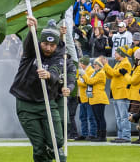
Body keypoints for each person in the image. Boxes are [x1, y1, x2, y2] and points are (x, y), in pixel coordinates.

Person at [11, 17, 66, 162]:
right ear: (40, 42)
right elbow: (29, 44)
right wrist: (32, 30)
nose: (48, 48)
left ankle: (50, 152)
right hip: (26, 104)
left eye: (52, 45)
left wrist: (49, 75)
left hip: (47, 102)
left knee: (58, 141)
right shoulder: (31, 53)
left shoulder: (59, 56)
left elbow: (56, 71)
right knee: (39, 147)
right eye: (45, 44)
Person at [103, 47, 132, 143]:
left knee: (124, 116)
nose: (114, 54)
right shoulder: (118, 63)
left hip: (122, 93)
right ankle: (120, 136)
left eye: (116, 53)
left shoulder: (126, 63)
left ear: (121, 54)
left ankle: (126, 136)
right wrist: (105, 68)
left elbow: (114, 73)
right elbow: (111, 75)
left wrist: (106, 65)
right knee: (119, 117)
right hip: (116, 93)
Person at [84, 56, 109, 142]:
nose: (94, 65)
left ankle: (102, 136)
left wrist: (83, 75)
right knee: (97, 117)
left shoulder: (101, 73)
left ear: (99, 65)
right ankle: (99, 135)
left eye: (95, 64)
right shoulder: (95, 72)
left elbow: (90, 81)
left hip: (99, 98)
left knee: (100, 117)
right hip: (95, 98)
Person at [76, 56, 95, 141]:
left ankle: (93, 134)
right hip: (82, 97)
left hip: (88, 97)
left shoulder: (91, 71)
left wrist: (77, 81)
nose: (79, 64)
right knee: (82, 116)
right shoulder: (82, 71)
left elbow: (86, 83)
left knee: (91, 116)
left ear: (84, 63)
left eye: (80, 63)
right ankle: (84, 134)